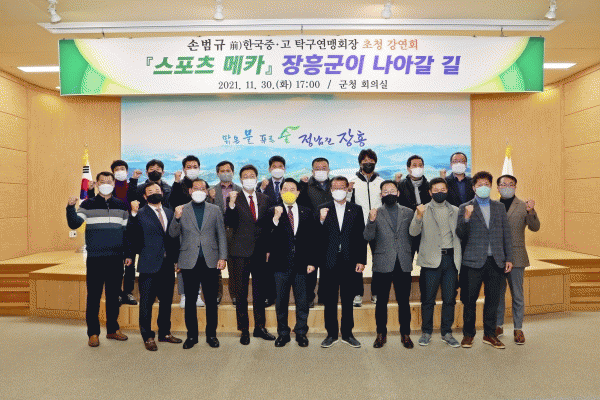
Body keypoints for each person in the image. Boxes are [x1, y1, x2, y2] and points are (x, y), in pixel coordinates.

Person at [66, 171, 129, 347]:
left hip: (116, 258)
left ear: (114, 183)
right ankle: (93, 333)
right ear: (97, 184)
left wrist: (127, 254)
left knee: (113, 297)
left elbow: (126, 232)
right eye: (103, 181)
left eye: (109, 181)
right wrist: (70, 207)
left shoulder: (121, 205)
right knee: (93, 297)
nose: (106, 184)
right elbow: (74, 223)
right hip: (95, 258)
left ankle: (112, 329)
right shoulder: (88, 204)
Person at [456, 171, 514, 349]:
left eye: (486, 184)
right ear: (474, 188)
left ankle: (489, 334)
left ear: (491, 187)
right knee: (469, 300)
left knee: (493, 300)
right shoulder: (465, 207)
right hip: (473, 261)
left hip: (496, 261)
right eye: (480, 185)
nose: (483, 187)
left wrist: (509, 258)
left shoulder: (499, 207)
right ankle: (468, 334)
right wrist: (466, 218)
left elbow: (506, 234)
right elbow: (460, 234)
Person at [169, 179, 227, 349]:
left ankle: (211, 335)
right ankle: (192, 336)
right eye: (196, 188)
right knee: (190, 301)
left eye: (203, 188)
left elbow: (221, 234)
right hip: (188, 261)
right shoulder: (181, 209)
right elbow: (172, 234)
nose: (199, 190)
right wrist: (176, 218)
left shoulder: (215, 209)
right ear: (190, 190)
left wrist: (223, 257)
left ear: (207, 191)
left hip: (211, 260)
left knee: (211, 300)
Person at [126, 183, 182, 351]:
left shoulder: (170, 212)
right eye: (150, 191)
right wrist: (133, 215)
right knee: (146, 303)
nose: (155, 193)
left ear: (162, 193)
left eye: (157, 190)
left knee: (166, 301)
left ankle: (164, 333)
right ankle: (147, 336)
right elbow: (131, 235)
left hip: (167, 264)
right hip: (148, 264)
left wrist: (177, 259)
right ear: (145, 196)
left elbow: (174, 238)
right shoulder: (139, 213)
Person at [225, 164, 276, 345]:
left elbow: (268, 226)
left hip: (260, 251)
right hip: (240, 252)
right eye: (245, 176)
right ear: (240, 180)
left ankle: (260, 327)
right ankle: (244, 329)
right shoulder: (234, 198)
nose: (249, 179)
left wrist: (268, 249)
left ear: (256, 178)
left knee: (259, 292)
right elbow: (229, 223)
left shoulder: (265, 198)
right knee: (241, 293)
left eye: (252, 176)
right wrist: (231, 205)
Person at [409, 177, 462, 348]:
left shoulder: (455, 210)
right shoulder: (422, 209)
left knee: (449, 299)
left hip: (451, 260)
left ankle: (447, 332)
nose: (440, 192)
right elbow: (413, 232)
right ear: (430, 192)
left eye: (443, 189)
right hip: (430, 260)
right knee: (428, 299)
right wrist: (418, 216)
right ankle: (426, 332)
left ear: (447, 191)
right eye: (436, 190)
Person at [266, 178, 318, 347]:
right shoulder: (272, 211)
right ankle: (283, 333)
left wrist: (312, 261)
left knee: (302, 302)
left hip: (302, 264)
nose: (288, 192)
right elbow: (266, 236)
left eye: (292, 189)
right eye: (285, 189)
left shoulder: (306, 211)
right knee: (281, 302)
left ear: (298, 192)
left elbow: (313, 239)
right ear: (280, 192)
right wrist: (275, 219)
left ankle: (301, 332)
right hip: (280, 264)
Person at [364, 180, 415, 349]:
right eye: (385, 191)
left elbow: (414, 236)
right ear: (381, 195)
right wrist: (371, 221)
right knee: (381, 302)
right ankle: (381, 334)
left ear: (398, 193)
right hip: (382, 263)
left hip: (403, 262)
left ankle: (405, 334)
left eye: (392, 190)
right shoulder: (375, 213)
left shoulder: (409, 212)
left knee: (404, 301)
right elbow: (368, 237)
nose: (389, 193)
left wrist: (409, 253)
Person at [319, 176, 367, 349]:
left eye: (342, 187)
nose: (338, 190)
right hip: (329, 261)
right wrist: (321, 220)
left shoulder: (356, 209)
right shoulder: (322, 208)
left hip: (349, 260)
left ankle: (347, 334)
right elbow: (316, 236)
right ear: (331, 190)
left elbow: (361, 236)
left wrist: (361, 260)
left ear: (347, 189)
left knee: (348, 299)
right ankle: (331, 334)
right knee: (330, 300)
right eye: (335, 187)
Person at [495, 174, 540, 345]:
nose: (507, 187)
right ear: (497, 187)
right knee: (498, 294)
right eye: (503, 184)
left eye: (510, 184)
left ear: (515, 186)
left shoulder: (523, 206)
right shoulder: (492, 206)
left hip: (517, 258)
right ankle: (498, 325)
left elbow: (535, 227)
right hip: (497, 258)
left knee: (517, 295)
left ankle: (518, 328)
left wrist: (531, 211)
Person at [87, 160, 139, 306]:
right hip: (113, 231)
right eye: (117, 169)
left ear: (127, 171)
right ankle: (116, 293)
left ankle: (128, 292)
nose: (120, 171)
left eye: (123, 169)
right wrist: (90, 191)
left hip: (129, 228)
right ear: (113, 173)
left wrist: (134, 181)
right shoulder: (108, 188)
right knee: (115, 266)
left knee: (130, 263)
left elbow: (135, 201)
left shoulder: (132, 187)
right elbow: (95, 203)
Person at [169, 155, 213, 309]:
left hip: (201, 229)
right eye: (189, 167)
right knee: (184, 263)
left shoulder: (203, 184)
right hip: (184, 229)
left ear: (199, 168)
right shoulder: (179, 185)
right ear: (183, 169)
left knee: (200, 262)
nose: (192, 169)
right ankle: (184, 295)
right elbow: (173, 202)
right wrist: (176, 182)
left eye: (195, 167)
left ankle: (198, 294)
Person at [349, 149, 384, 307]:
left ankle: (376, 293)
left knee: (379, 261)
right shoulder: (352, 182)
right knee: (357, 261)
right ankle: (357, 293)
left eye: (371, 161)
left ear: (375, 163)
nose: (368, 163)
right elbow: (347, 204)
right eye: (365, 161)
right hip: (358, 227)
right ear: (360, 163)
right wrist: (348, 191)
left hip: (378, 227)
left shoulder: (382, 182)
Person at [297, 157, 333, 307]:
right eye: (317, 168)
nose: (321, 171)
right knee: (310, 267)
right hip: (310, 232)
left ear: (329, 170)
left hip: (330, 232)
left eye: (324, 168)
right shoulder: (305, 186)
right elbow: (300, 207)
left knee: (327, 267)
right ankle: (308, 297)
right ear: (312, 171)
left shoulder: (334, 185)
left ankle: (324, 296)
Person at [210, 160, 242, 305]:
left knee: (234, 266)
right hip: (216, 232)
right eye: (222, 171)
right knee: (215, 264)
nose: (225, 173)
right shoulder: (211, 190)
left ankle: (235, 295)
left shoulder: (240, 190)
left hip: (234, 231)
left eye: (228, 170)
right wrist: (209, 198)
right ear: (217, 173)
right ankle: (216, 294)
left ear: (233, 172)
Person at [256, 155, 285, 307]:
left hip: (285, 230)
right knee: (267, 266)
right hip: (267, 230)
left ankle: (281, 297)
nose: (277, 169)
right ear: (269, 169)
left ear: (284, 169)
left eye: (280, 166)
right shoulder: (261, 185)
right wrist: (261, 188)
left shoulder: (290, 185)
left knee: (283, 266)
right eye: (274, 166)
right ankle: (269, 296)